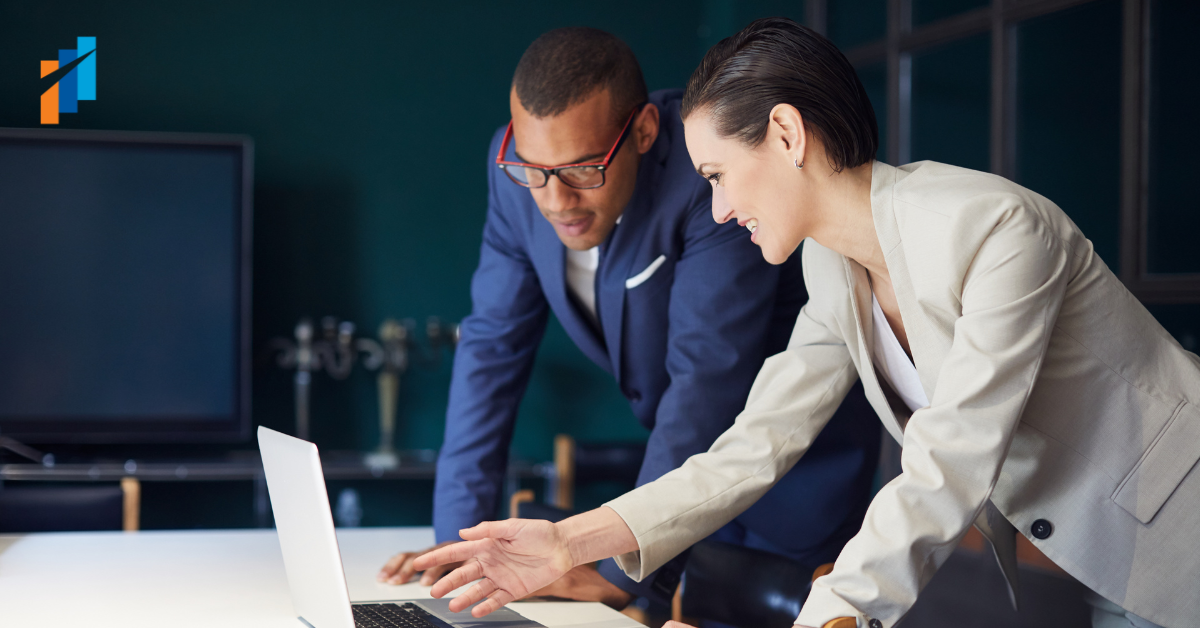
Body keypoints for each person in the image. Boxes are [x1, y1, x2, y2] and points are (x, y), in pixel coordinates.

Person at [413, 18, 1200, 628]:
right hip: (1102, 554)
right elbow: (757, 443)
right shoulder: (832, 263)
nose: (716, 208)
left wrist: (831, 612)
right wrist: (570, 540)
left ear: (787, 135)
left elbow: (949, 461)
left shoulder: (996, 228)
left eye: (719, 175)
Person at [376, 26, 880, 612]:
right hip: (674, 480)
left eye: (583, 170)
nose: (554, 200)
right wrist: (458, 551)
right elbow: (490, 349)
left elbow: (705, 377)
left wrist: (623, 574)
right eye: (533, 169)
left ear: (642, 132)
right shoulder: (518, 176)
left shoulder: (705, 175)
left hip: (793, 477)